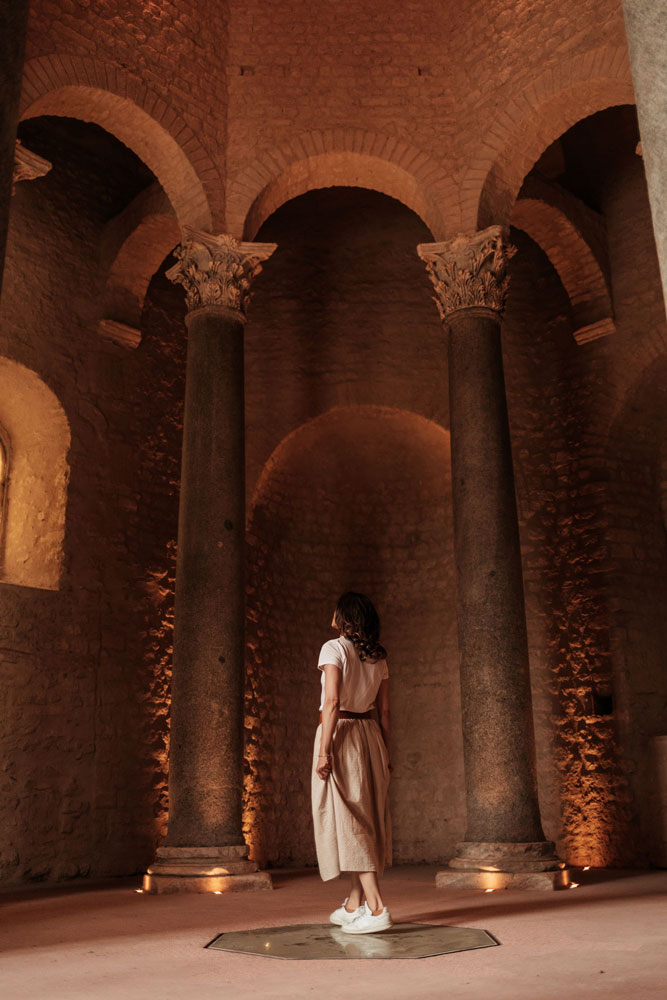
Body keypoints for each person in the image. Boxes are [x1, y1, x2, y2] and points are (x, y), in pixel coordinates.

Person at [311, 591, 393, 934]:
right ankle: (353, 905)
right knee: (365, 817)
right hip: (370, 736)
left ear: (343, 617)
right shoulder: (377, 656)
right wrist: (387, 753)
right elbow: (385, 710)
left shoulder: (333, 648)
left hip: (341, 733)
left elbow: (331, 701)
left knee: (350, 820)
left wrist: (325, 749)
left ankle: (376, 910)